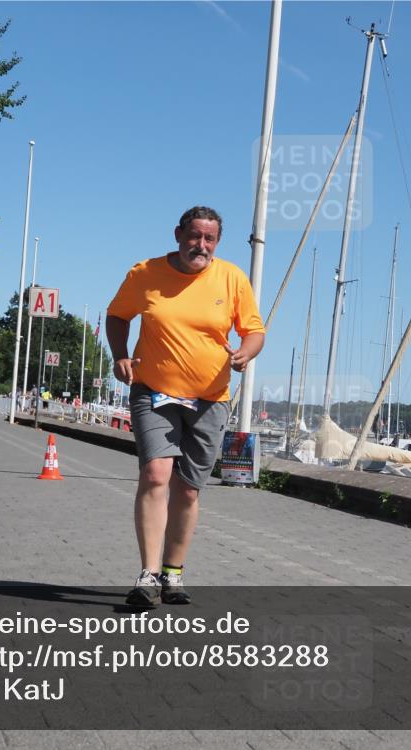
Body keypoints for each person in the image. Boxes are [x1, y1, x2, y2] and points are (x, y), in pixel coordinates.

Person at [107, 206, 265, 607]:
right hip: (154, 390)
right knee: (156, 473)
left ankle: (173, 574)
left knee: (189, 491)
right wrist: (120, 354)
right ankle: (147, 575)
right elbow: (117, 314)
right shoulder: (145, 273)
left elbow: (254, 330)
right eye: (195, 236)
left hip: (209, 399)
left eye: (209, 238)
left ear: (217, 242)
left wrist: (245, 353)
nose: (201, 245)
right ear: (178, 234)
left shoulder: (231, 278)